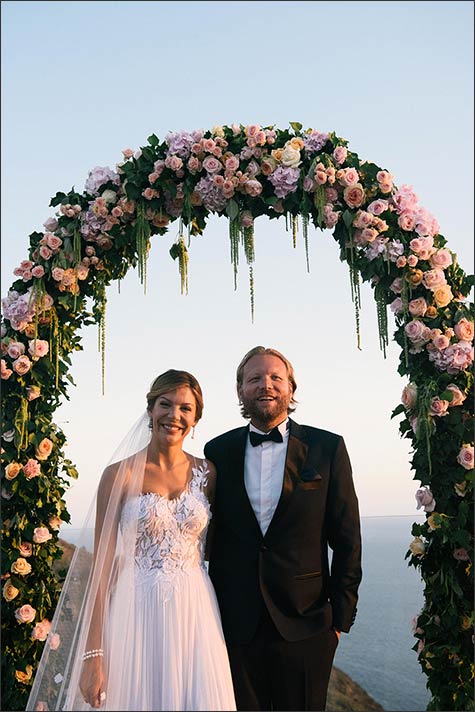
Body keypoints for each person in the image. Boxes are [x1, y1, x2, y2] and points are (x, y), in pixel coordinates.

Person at [26, 370, 236, 712]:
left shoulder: (208, 473)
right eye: (165, 404)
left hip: (195, 613)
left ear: (196, 418)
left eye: (185, 408)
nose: (174, 415)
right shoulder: (119, 474)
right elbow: (101, 568)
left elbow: (212, 546)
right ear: (150, 409)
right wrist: (93, 654)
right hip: (134, 610)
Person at [204, 346, 362, 712]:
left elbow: (348, 539)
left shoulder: (328, 447)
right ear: (240, 389)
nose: (266, 385)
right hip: (234, 625)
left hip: (307, 626)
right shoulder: (217, 451)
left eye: (276, 377)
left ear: (291, 387)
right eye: (254, 378)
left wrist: (339, 620)